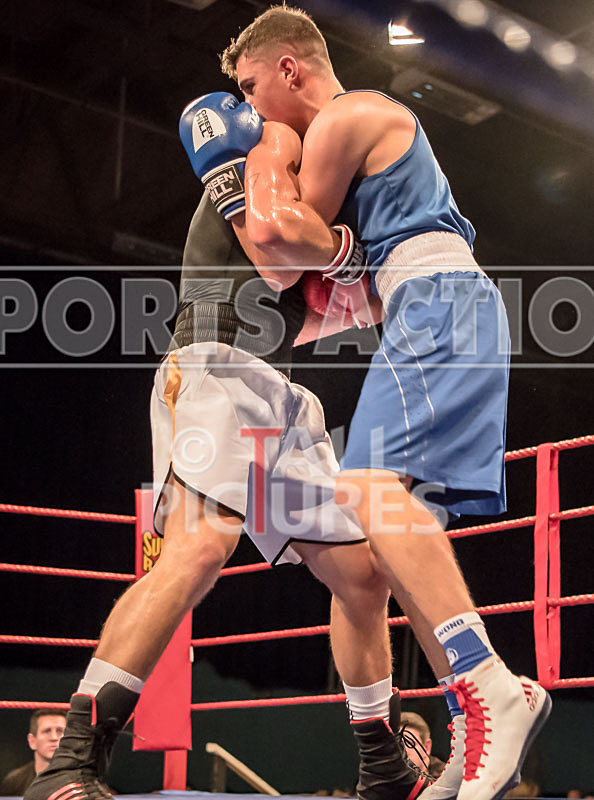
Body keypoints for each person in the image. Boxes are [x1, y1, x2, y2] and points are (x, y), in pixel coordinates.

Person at [214, 6, 552, 800]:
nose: (249, 105)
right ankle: (472, 718)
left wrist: (251, 158)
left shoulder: (348, 115)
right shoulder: (370, 153)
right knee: (403, 527)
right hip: (431, 304)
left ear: (290, 67)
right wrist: (340, 265)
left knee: (368, 490)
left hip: (437, 302)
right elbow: (339, 290)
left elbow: (276, 250)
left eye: (251, 86)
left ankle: (490, 682)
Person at [23, 187, 434, 800]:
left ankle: (384, 767)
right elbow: (273, 238)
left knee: (364, 574)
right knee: (199, 549)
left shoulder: (322, 200)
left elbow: (313, 312)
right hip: (212, 363)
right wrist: (353, 254)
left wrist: (395, 286)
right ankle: (72, 758)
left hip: (280, 393)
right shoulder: (254, 159)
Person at [0, 710, 66, 796]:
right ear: (32, 741)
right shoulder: (14, 782)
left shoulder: (80, 778)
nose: (54, 737)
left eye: (60, 731)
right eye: (47, 731)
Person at [399, 712, 445, 781]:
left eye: (409, 743)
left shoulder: (450, 780)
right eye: (397, 744)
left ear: (426, 747)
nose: (402, 751)